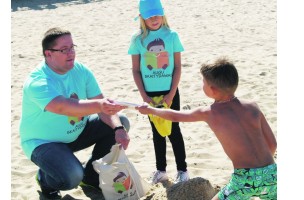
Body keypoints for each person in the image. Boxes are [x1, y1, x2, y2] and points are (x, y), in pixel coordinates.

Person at [136, 57, 277, 199]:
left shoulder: (210, 112)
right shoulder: (253, 106)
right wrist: (262, 171)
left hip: (244, 179)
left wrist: (151, 110)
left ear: (213, 90)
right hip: (273, 174)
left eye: (203, 82)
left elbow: (175, 116)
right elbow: (273, 144)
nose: (202, 85)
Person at [19, 27, 131, 199]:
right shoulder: (38, 81)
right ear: (48, 54)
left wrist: (118, 129)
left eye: (72, 47)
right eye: (64, 50)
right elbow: (63, 107)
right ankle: (45, 180)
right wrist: (101, 105)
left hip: (76, 133)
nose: (71, 53)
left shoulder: (80, 70)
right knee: (72, 176)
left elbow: (101, 105)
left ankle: (91, 178)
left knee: (120, 120)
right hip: (44, 143)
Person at [128, 0, 189, 184]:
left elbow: (177, 67)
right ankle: (161, 170)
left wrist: (171, 94)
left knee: (174, 131)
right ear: (142, 18)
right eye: (149, 16)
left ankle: (183, 170)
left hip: (169, 92)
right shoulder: (137, 39)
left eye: (156, 14)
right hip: (149, 94)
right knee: (156, 132)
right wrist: (144, 96)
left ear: (163, 14)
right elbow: (136, 70)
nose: (154, 19)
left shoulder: (172, 36)